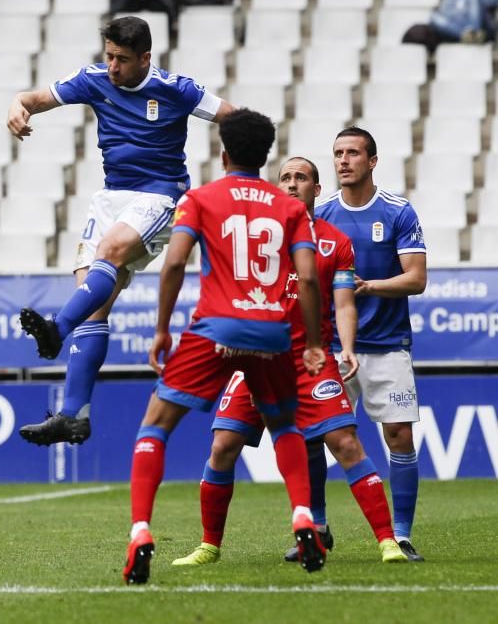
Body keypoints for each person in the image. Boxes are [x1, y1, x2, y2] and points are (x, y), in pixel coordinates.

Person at [7, 16, 235, 447]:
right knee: (94, 303)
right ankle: (74, 415)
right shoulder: (94, 80)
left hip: (162, 196)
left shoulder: (175, 89)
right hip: (111, 197)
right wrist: (17, 106)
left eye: (122, 59)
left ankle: (57, 330)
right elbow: (33, 98)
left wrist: (238, 172)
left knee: (108, 253)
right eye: (109, 56)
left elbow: (234, 117)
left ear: (145, 58)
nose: (112, 66)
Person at [171, 157, 408, 569]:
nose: (292, 183)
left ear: (317, 190)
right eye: (285, 177)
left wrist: (347, 346)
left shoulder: (335, 242)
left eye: (301, 178)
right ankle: (209, 545)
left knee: (347, 443)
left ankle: (388, 541)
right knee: (223, 446)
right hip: (255, 358)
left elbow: (344, 301)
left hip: (309, 362)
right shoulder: (253, 236)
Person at [123, 110, 328, 585]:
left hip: (215, 329)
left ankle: (139, 530)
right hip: (273, 333)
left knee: (156, 425)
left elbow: (174, 263)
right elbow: (310, 277)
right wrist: (314, 341)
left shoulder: (200, 198)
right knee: (284, 424)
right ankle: (302, 515)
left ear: (224, 153)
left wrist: (161, 330)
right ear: (266, 156)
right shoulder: (290, 207)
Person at [314, 126, 427, 561]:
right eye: (338, 153)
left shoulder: (398, 211)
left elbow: (416, 279)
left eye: (353, 153)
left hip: (387, 344)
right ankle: (317, 528)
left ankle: (400, 534)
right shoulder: (321, 215)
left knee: (398, 436)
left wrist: (369, 287)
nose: (343, 160)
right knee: (317, 438)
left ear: (372, 161)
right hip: (333, 348)